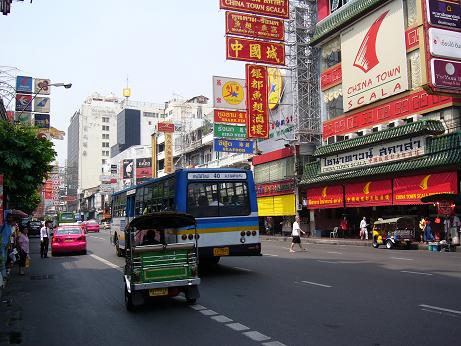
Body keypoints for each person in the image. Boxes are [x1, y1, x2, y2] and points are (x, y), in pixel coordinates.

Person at [0, 213, 15, 280]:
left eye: (11, 218)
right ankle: (4, 276)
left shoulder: (9, 227)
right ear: (7, 218)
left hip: (6, 246)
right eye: (9, 218)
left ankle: (3, 274)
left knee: (5, 259)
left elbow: (9, 237)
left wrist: (9, 245)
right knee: (2, 260)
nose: (11, 219)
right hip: (1, 245)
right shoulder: (3, 225)